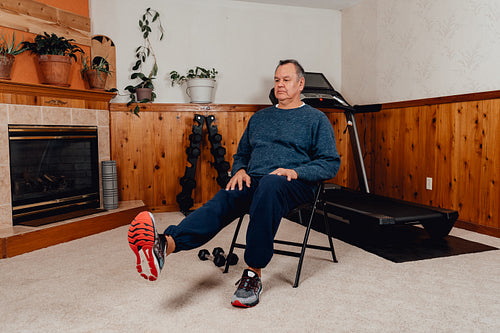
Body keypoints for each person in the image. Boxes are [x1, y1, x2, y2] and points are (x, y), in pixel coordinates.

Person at [128, 59, 341, 308]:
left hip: (293, 183)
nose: (280, 85)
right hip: (256, 181)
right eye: (277, 80)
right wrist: (239, 170)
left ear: (300, 83)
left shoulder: (316, 119)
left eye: (286, 80)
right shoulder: (260, 119)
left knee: (271, 185)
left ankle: (253, 274)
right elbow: (242, 155)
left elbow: (330, 163)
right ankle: (165, 245)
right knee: (229, 192)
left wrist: (295, 171)